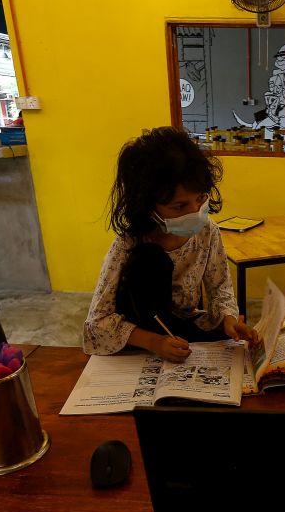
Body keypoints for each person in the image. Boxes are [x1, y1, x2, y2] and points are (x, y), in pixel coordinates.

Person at [84, 127, 259, 362]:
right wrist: (154, 342)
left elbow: (220, 288)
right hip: (138, 333)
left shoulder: (207, 232)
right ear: (147, 205)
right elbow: (97, 323)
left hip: (182, 326)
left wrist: (229, 318)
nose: (195, 212)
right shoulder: (129, 244)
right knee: (150, 259)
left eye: (200, 198)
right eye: (179, 206)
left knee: (232, 349)